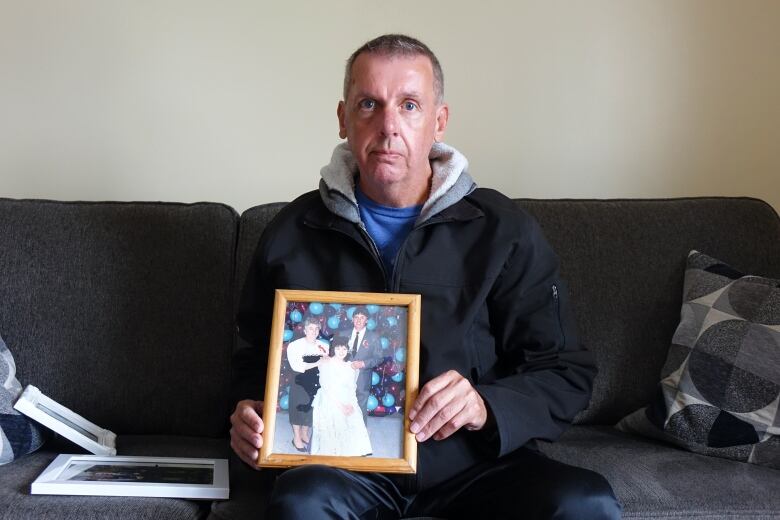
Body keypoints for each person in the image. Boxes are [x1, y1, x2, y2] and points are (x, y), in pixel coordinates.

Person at [231, 34, 622, 519]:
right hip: (342, 469)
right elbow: (251, 357)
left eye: (409, 105)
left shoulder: (503, 230)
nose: (389, 126)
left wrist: (486, 405)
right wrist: (247, 410)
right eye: (369, 104)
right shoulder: (293, 231)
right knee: (301, 503)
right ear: (343, 119)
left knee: (586, 502)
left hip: (478, 466)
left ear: (439, 122)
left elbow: (565, 370)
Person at [310, 338, 373, 457]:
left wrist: (351, 404)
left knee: (354, 417)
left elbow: (351, 388)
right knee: (335, 419)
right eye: (338, 348)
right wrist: (341, 406)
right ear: (333, 349)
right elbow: (326, 388)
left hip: (346, 399)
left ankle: (347, 453)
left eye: (344, 349)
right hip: (329, 398)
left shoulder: (349, 366)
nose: (341, 351)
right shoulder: (326, 363)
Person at [284, 316, 327, 452]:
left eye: (316, 329)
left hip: (316, 383)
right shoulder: (295, 345)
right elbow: (296, 366)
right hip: (300, 382)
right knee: (297, 409)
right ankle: (296, 437)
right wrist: (318, 363)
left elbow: (326, 365)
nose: (313, 331)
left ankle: (304, 433)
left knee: (311, 410)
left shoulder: (323, 346)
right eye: (310, 328)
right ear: (305, 330)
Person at [341, 305, 382, 421]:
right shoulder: (343, 334)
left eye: (362, 317)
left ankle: (360, 434)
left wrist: (363, 363)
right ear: (352, 319)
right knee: (343, 405)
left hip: (362, 379)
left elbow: (379, 358)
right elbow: (335, 353)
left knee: (360, 408)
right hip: (343, 377)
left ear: (367, 320)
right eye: (356, 317)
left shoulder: (374, 337)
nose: (359, 320)